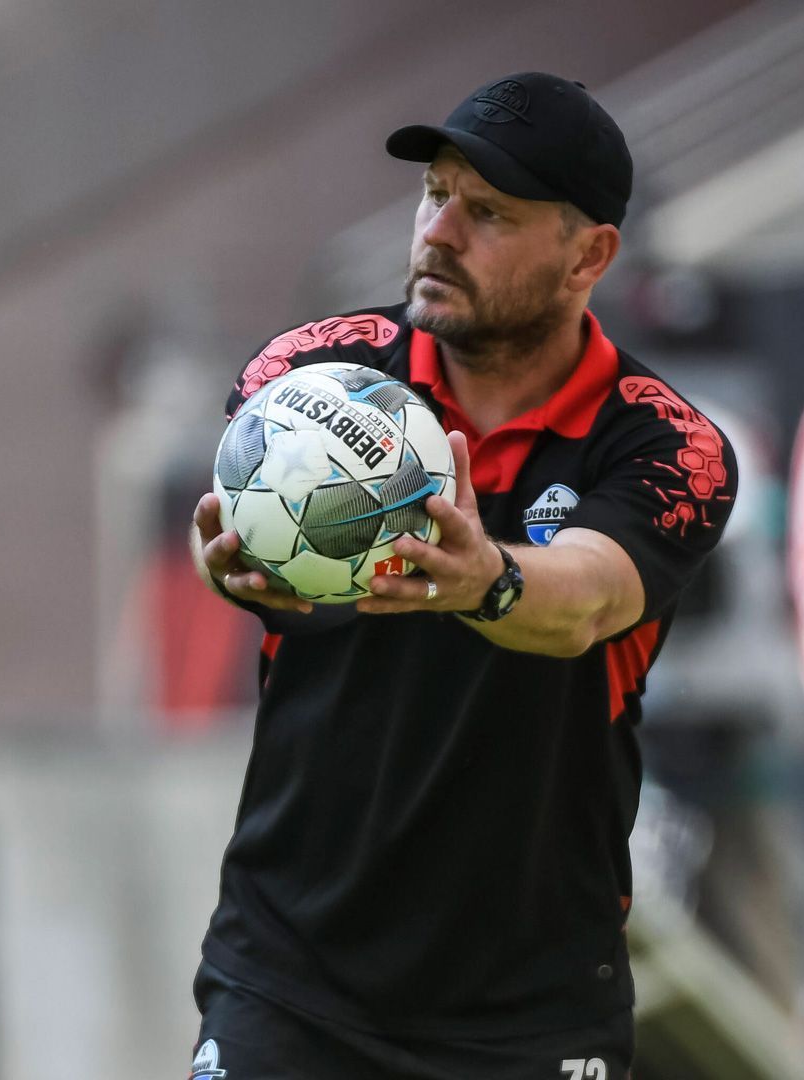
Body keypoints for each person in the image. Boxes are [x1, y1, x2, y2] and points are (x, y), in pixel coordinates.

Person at [186, 72, 737, 1079]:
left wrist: (483, 579)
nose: (439, 233)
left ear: (590, 255)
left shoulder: (668, 443)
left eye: (488, 212)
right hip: (290, 980)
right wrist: (220, 563)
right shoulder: (312, 377)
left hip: (530, 1013)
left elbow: (592, 598)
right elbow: (224, 522)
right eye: (435, 193)